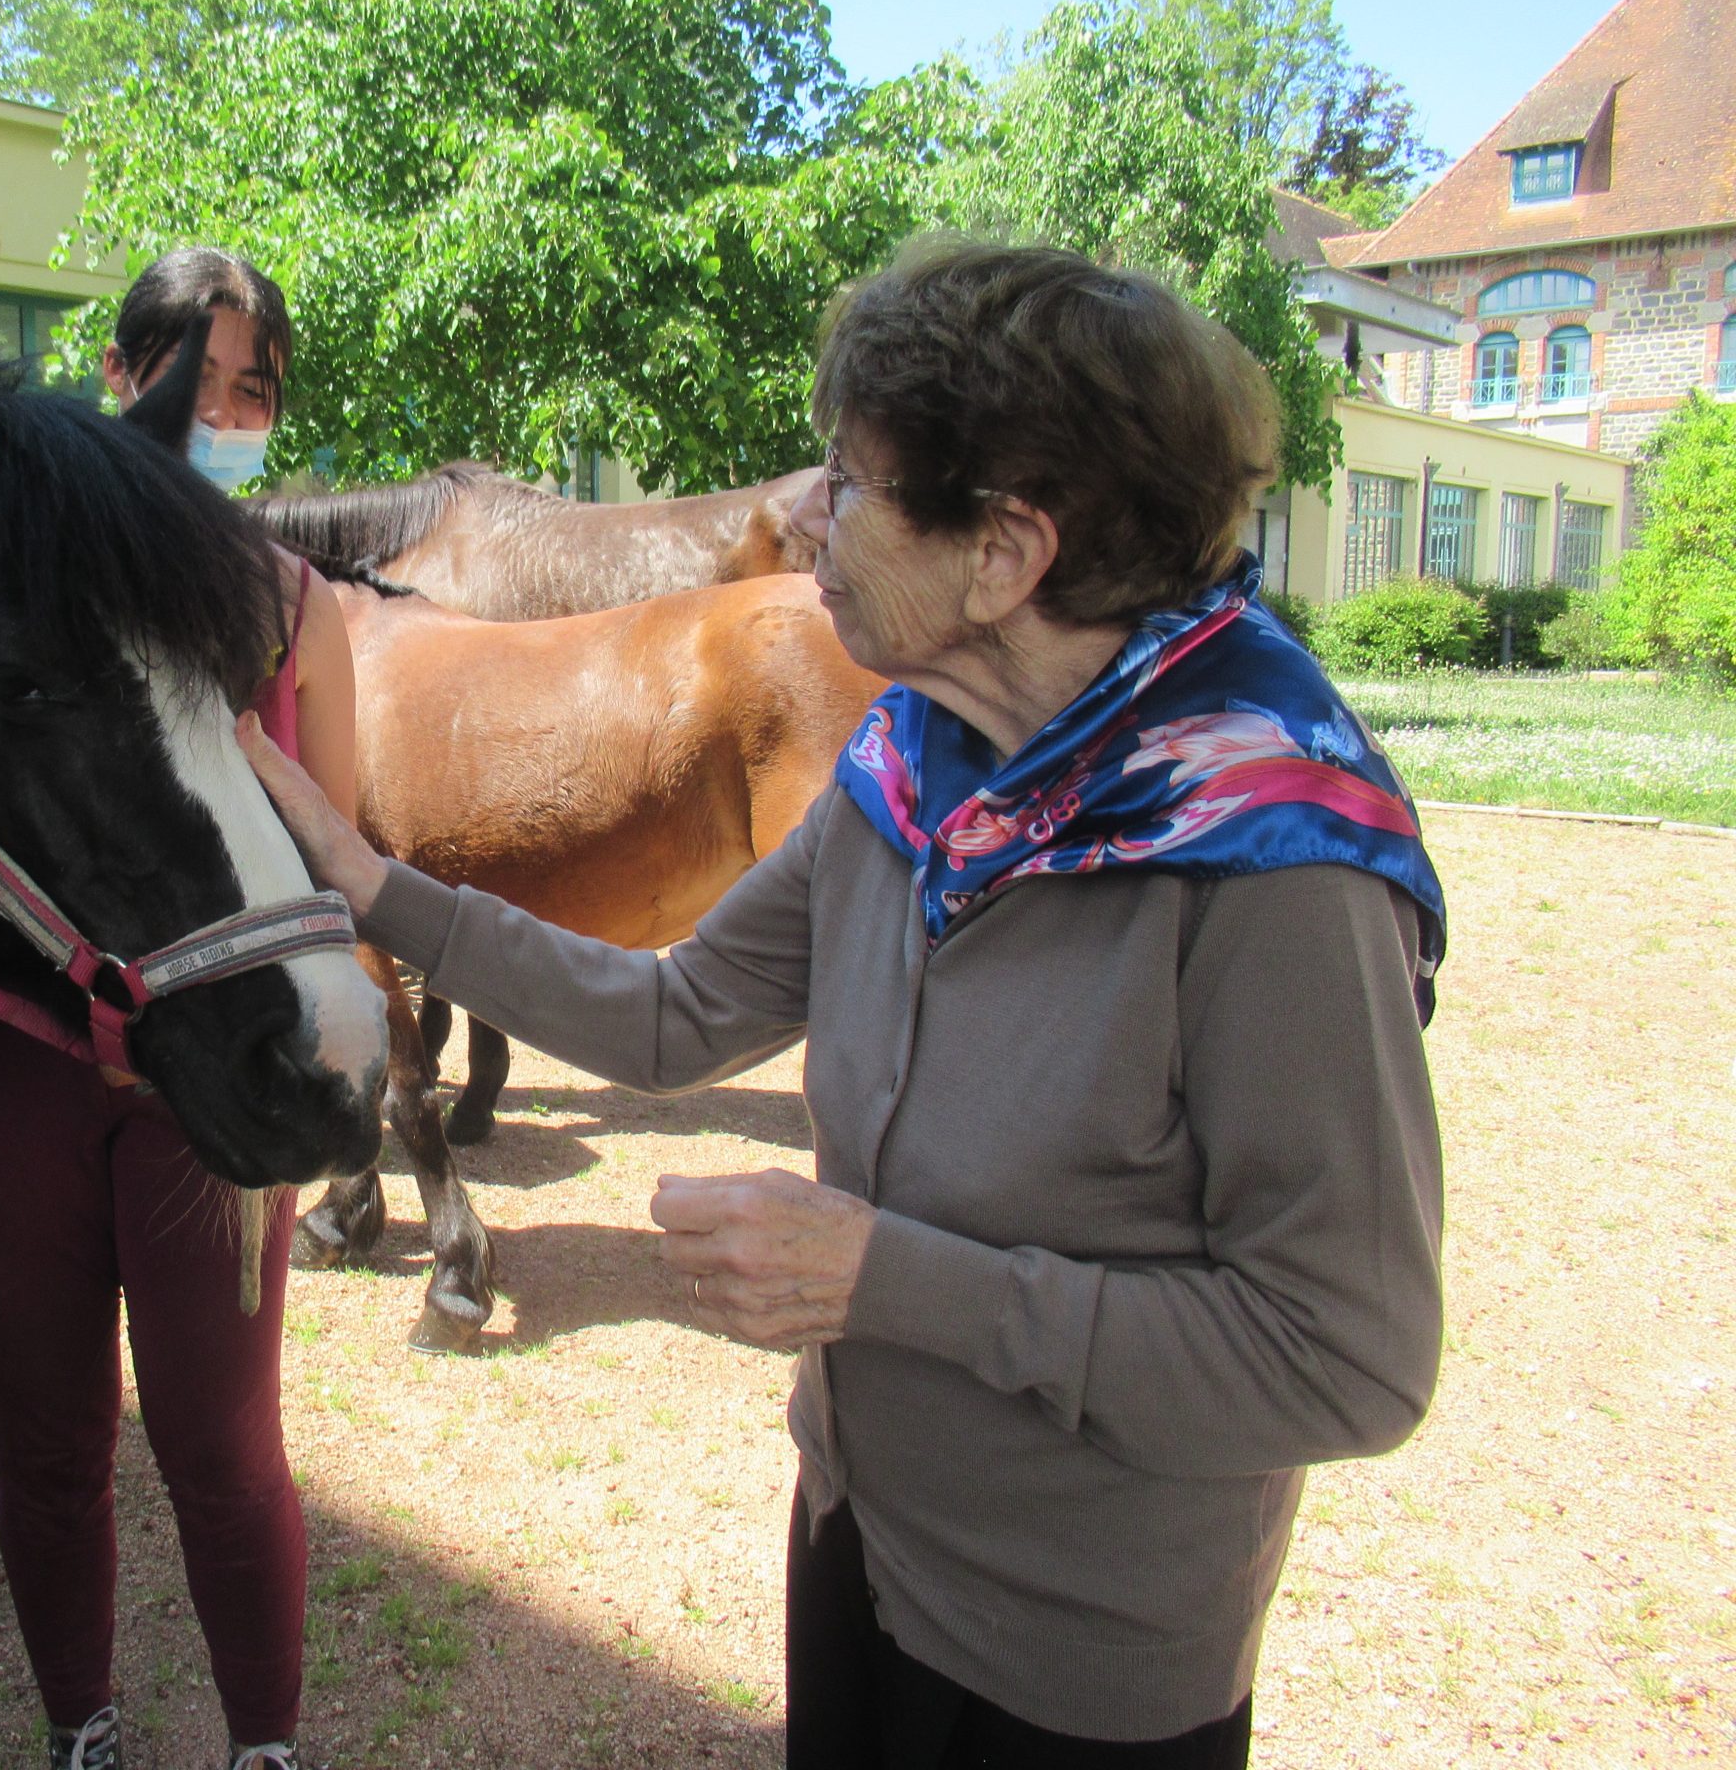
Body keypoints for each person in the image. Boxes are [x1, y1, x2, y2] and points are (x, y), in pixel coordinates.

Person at [238, 239, 1447, 1769]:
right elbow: (679, 1015)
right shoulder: (915, 771)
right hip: (856, 1546)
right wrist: (371, 881)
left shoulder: (1276, 868)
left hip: (1084, 1665)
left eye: (855, 484)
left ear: (1006, 551)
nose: (809, 517)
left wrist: (890, 1283)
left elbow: (1345, 1353)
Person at [0, 247, 357, 1770]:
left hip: (200, 1085)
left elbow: (335, 861)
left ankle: (266, 1746)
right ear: (125, 382)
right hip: (2, 1071)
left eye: (253, 388)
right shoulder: (17, 592)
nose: (223, 412)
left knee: (223, 1452)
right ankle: (82, 1729)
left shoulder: (295, 603)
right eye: (194, 377)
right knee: (47, 1445)